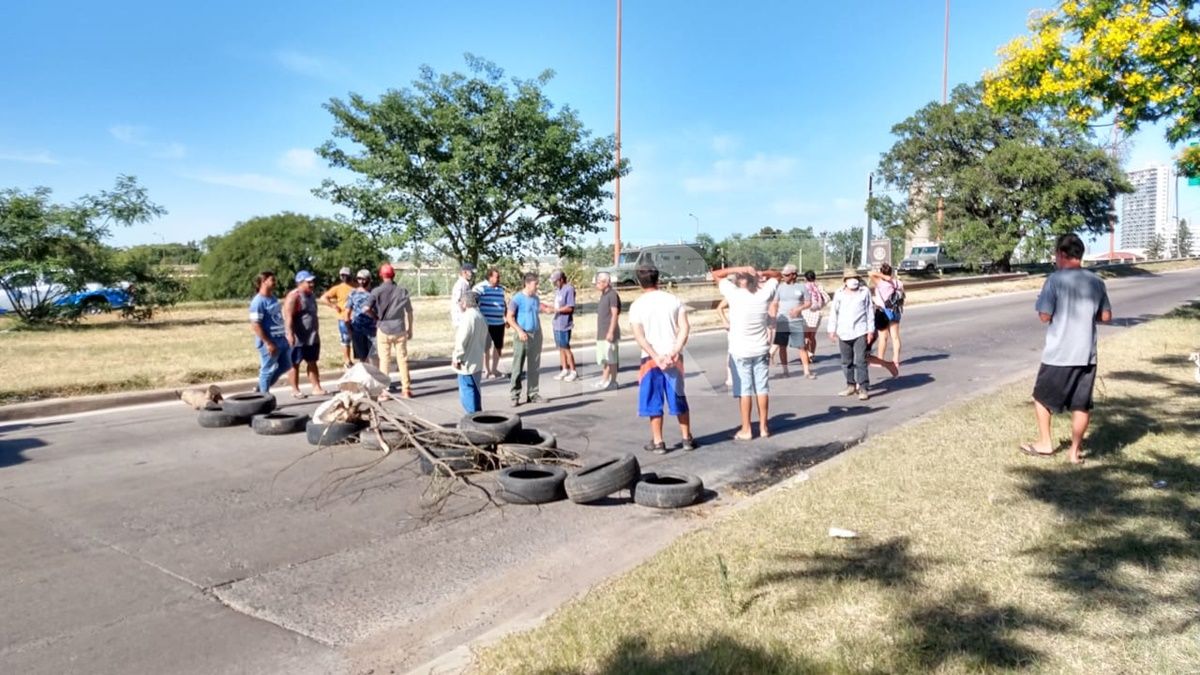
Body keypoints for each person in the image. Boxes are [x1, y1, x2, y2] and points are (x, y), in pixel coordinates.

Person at [1021, 233, 1112, 465]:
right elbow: (1106, 316)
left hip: (1059, 353)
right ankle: (1074, 452)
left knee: (1040, 397)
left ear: (1062, 254)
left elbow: (1044, 316)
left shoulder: (1054, 280)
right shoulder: (1096, 282)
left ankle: (1045, 443)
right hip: (1086, 355)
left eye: (1056, 255)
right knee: (1081, 404)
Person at [630, 264, 696, 453]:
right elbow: (684, 327)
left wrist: (655, 356)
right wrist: (675, 350)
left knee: (653, 399)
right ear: (658, 279)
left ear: (639, 282)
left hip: (650, 359)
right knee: (678, 396)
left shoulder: (637, 305)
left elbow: (639, 336)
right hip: (673, 357)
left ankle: (658, 441)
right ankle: (686, 438)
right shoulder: (673, 300)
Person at [714, 266, 779, 440]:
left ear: (737, 280)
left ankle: (746, 428)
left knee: (745, 391)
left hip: (740, 350)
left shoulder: (733, 294)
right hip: (760, 348)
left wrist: (740, 268)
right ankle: (764, 427)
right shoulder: (763, 295)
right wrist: (762, 273)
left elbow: (716, 275)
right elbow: (777, 275)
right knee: (762, 388)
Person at [828, 269, 897, 401]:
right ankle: (850, 385)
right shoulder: (839, 293)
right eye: (850, 278)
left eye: (855, 277)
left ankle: (863, 388)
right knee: (846, 362)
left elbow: (869, 312)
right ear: (845, 281)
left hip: (861, 331)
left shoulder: (864, 292)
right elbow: (834, 312)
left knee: (861, 361)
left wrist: (870, 331)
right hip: (844, 332)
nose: (853, 280)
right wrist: (832, 329)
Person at [370, 263, 415, 398]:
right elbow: (409, 311)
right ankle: (406, 389)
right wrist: (410, 328)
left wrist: (376, 318)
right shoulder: (402, 291)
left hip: (383, 328)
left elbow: (366, 308)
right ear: (393, 275)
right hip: (399, 328)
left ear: (381, 275)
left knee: (384, 360)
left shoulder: (376, 291)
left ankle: (384, 391)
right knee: (403, 359)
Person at [283, 270, 327, 398]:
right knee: (294, 363)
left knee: (312, 361)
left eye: (312, 281)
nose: (312, 284)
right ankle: (295, 389)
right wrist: (290, 334)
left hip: (311, 336)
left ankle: (316, 387)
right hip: (298, 337)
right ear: (300, 283)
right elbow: (288, 317)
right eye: (309, 282)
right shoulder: (294, 297)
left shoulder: (311, 295)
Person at [248, 271, 291, 394]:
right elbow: (256, 325)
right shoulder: (258, 302)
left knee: (286, 365)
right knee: (267, 370)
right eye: (272, 280)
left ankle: (260, 388)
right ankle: (264, 397)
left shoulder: (272, 298)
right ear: (263, 281)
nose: (275, 282)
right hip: (269, 342)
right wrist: (268, 343)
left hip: (281, 340)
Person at [508, 272, 545, 406]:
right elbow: (510, 317)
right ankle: (515, 395)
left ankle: (533, 393)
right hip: (522, 336)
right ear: (528, 284)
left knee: (534, 366)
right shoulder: (517, 298)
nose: (537, 286)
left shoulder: (536, 298)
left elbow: (536, 314)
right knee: (518, 366)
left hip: (535, 334)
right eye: (535, 283)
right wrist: (519, 330)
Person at [775, 264, 816, 379]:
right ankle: (785, 371)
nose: (784, 277)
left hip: (796, 321)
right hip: (782, 320)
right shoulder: (780, 287)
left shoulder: (802, 287)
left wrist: (799, 309)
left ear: (794, 275)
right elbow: (774, 302)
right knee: (782, 346)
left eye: (787, 275)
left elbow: (808, 303)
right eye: (783, 275)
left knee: (801, 346)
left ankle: (807, 371)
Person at [452, 290, 489, 414]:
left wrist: (457, 357)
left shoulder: (468, 317)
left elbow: (461, 340)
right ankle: (478, 415)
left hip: (466, 361)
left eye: (460, 302)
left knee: (467, 390)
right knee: (476, 389)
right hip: (477, 359)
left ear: (465, 303)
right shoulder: (480, 316)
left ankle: (472, 417)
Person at [474, 267, 508, 379]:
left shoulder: (501, 289)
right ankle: (487, 370)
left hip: (499, 323)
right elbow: (473, 299)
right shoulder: (481, 288)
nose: (499, 279)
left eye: (499, 277)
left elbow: (504, 304)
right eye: (496, 277)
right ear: (490, 277)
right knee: (486, 347)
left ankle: (494, 369)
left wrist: (506, 318)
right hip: (486, 323)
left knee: (498, 347)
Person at [870, 263, 905, 371]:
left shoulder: (880, 282)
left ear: (882, 272)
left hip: (883, 312)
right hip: (895, 311)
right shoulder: (898, 283)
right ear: (892, 272)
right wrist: (890, 278)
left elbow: (870, 273)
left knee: (883, 337)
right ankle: (896, 360)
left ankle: (880, 360)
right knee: (895, 336)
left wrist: (883, 276)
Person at [545, 269, 578, 382]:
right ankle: (564, 369)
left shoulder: (569, 289)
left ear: (561, 279)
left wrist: (556, 310)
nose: (554, 283)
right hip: (556, 323)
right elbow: (557, 306)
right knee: (560, 348)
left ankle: (573, 370)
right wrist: (550, 308)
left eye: (556, 281)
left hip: (564, 323)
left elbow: (570, 307)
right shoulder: (558, 290)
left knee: (566, 347)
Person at [320, 267, 355, 369]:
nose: (344, 277)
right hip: (343, 318)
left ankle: (358, 359)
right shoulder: (338, 288)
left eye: (346, 275)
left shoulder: (356, 287)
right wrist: (333, 306)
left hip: (356, 318)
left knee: (357, 340)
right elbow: (324, 298)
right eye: (342, 275)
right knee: (345, 340)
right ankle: (347, 360)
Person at [593, 271, 622, 390]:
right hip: (602, 332)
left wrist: (610, 332)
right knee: (605, 358)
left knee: (612, 359)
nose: (596, 285)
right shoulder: (604, 295)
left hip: (609, 332)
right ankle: (604, 380)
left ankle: (613, 381)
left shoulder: (612, 295)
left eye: (598, 282)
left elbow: (615, 314)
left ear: (606, 282)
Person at [347, 269, 377, 366]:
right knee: (362, 358)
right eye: (359, 279)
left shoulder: (374, 293)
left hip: (373, 330)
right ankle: (365, 379)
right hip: (358, 330)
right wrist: (349, 329)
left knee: (374, 356)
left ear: (369, 279)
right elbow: (347, 311)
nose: (361, 281)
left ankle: (375, 378)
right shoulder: (353, 293)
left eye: (363, 279)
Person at [801, 270, 828, 360]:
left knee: (805, 336)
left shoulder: (804, 287)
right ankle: (812, 354)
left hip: (806, 312)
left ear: (805, 278)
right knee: (812, 336)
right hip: (817, 313)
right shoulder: (819, 286)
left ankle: (807, 354)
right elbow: (827, 299)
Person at [450, 263, 475, 327]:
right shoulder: (461, 284)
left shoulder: (465, 283)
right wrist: (464, 313)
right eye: (470, 271)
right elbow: (458, 300)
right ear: (464, 272)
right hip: (460, 317)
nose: (471, 273)